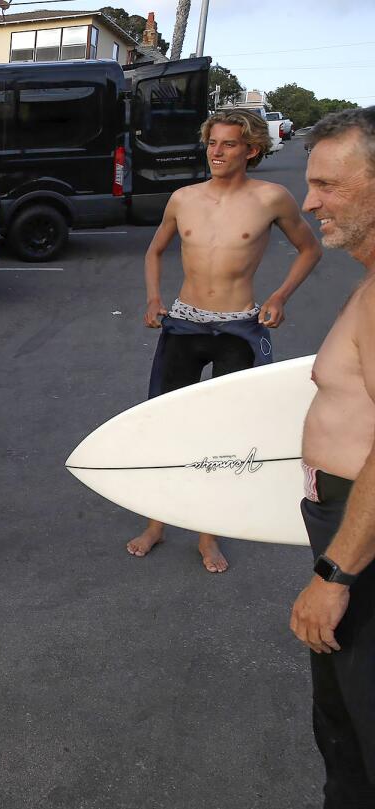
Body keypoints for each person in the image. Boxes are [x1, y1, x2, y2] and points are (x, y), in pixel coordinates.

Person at [127, 109, 321, 572]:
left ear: (251, 149)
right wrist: (154, 298)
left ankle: (208, 534)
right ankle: (156, 523)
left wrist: (279, 295)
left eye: (228, 144)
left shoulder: (272, 198)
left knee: (223, 436)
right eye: (212, 142)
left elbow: (309, 248)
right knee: (166, 425)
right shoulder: (183, 198)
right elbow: (154, 250)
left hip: (239, 326)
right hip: (184, 324)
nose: (216, 151)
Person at [290, 106, 375, 807]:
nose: (308, 201)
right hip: (347, 521)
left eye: (328, 185)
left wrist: (336, 569)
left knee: (361, 723)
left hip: (362, 539)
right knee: (342, 723)